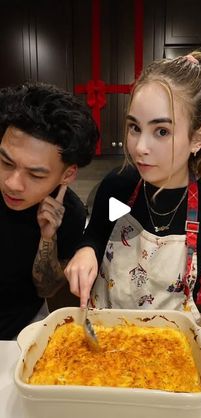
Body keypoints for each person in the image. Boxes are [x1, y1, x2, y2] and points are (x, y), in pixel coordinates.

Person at [65, 51, 201, 352]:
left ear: (198, 138)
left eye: (161, 131)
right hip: (104, 338)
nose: (139, 147)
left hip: (172, 347)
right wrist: (85, 251)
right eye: (134, 127)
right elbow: (97, 234)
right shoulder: (119, 188)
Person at [0, 82, 99, 339]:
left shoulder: (71, 213)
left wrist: (48, 237)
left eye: (35, 174)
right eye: (6, 162)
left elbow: (46, 289)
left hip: (22, 330)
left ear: (67, 175)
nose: (12, 183)